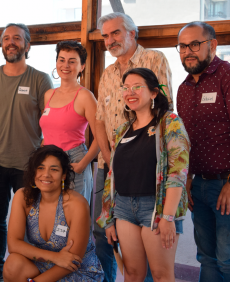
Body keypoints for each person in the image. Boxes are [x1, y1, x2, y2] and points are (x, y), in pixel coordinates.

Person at [176, 21, 230, 282]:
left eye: (194, 44)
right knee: (207, 257)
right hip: (199, 183)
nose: (187, 51)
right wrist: (187, 179)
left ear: (212, 45)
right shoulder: (184, 88)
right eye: (182, 46)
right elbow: (185, 140)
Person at [0, 23, 53, 282]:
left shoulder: (40, 79)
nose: (11, 42)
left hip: (29, 166)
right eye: (6, 38)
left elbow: (49, 121)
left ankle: (26, 271)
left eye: (17, 38)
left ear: (27, 45)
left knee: (30, 222)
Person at [94, 12, 174, 282]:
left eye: (115, 33)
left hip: (151, 174)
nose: (110, 40)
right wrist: (110, 162)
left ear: (132, 33)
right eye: (105, 36)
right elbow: (100, 121)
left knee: (156, 267)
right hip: (115, 172)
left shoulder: (154, 59)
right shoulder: (106, 74)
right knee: (115, 249)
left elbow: (165, 109)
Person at [96, 68, 190, 282]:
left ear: (154, 92)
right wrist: (108, 218)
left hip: (156, 208)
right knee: (132, 273)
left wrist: (167, 216)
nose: (131, 92)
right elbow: (112, 175)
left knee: (161, 275)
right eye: (126, 88)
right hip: (124, 208)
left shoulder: (170, 123)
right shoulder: (121, 131)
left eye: (137, 87)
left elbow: (178, 172)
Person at [4, 145, 104, 282]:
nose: (46, 174)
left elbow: (73, 260)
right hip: (46, 263)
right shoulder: (23, 196)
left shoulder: (77, 204)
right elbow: (13, 244)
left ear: (64, 175)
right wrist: (55, 257)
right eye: (40, 168)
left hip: (78, 270)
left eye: (54, 169)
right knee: (13, 265)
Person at [39, 40, 99, 203]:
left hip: (74, 160)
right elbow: (49, 132)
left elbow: (101, 138)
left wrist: (82, 164)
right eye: (62, 60)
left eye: (72, 61)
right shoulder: (48, 94)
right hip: (48, 161)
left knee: (75, 219)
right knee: (51, 216)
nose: (66, 65)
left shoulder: (85, 96)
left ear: (82, 66)